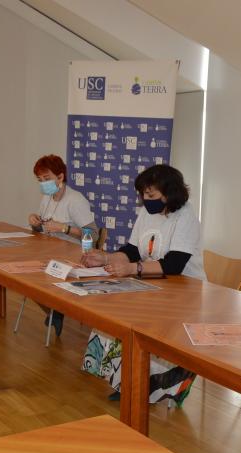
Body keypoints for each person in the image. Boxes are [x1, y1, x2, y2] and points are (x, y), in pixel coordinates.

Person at [81, 164, 204, 404]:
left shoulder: (186, 216)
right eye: (143, 195)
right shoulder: (147, 213)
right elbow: (133, 249)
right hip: (155, 283)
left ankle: (161, 386)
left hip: (185, 290)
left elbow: (174, 264)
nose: (145, 201)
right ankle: (125, 381)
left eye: (151, 195)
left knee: (150, 327)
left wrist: (133, 268)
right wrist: (105, 258)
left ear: (170, 193)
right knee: (117, 317)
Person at [27, 154, 95, 337]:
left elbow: (92, 235)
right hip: (49, 252)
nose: (43, 183)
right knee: (25, 278)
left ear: (60, 177)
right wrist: (34, 221)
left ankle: (57, 308)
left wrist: (64, 228)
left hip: (71, 256)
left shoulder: (75, 200)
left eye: (46, 179)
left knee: (34, 277)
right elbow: (41, 226)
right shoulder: (47, 197)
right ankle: (54, 310)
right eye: (39, 180)